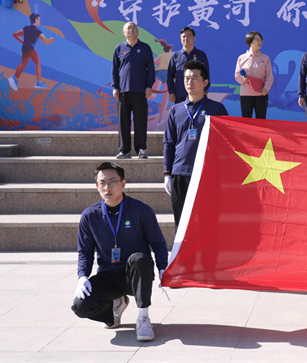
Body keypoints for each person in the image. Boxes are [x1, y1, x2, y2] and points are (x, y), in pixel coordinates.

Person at [72, 162, 168, 342]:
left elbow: (158, 243)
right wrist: (82, 276)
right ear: (96, 186)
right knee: (80, 306)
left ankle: (143, 318)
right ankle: (113, 310)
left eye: (112, 181)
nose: (107, 187)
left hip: (136, 275)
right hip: (108, 274)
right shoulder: (90, 215)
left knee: (139, 259)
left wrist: (163, 267)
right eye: (102, 182)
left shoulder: (141, 210)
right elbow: (85, 252)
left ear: (123, 183)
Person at [163, 60, 228, 227]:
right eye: (186, 78)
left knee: (207, 223)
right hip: (180, 173)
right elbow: (169, 143)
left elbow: (226, 143)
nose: (189, 82)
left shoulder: (217, 109)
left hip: (207, 174)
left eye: (194, 78)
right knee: (182, 225)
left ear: (205, 83)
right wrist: (167, 174)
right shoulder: (175, 110)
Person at [112, 22, 155, 159]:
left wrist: (149, 86)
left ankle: (141, 149)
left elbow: (151, 69)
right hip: (123, 91)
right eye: (128, 28)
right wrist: (115, 87)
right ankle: (124, 150)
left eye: (133, 27)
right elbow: (115, 70)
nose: (131, 30)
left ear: (138, 31)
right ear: (124, 32)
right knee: (123, 122)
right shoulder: (119, 48)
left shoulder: (145, 48)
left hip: (140, 91)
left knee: (140, 121)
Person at [9, 13, 54, 91]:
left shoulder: (26, 28)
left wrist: (23, 42)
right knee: (37, 62)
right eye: (39, 19)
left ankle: (15, 77)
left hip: (24, 48)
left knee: (24, 64)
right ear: (36, 20)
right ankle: (38, 82)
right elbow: (46, 42)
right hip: (30, 49)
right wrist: (51, 40)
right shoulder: (37, 30)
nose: (39, 21)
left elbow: (15, 34)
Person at [234, 31, 273, 119]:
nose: (260, 42)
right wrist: (242, 79)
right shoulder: (241, 58)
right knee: (246, 119)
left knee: (261, 120)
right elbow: (237, 75)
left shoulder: (265, 58)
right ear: (250, 41)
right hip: (246, 95)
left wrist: (266, 88)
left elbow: (269, 76)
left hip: (261, 94)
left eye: (261, 40)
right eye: (257, 39)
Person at [167, 27, 210, 105]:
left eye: (189, 36)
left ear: (194, 38)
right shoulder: (175, 56)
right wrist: (171, 92)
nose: (186, 38)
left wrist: (205, 90)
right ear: (181, 39)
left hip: (197, 95)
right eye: (183, 36)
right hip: (180, 95)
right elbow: (170, 76)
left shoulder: (201, 55)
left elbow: (206, 75)